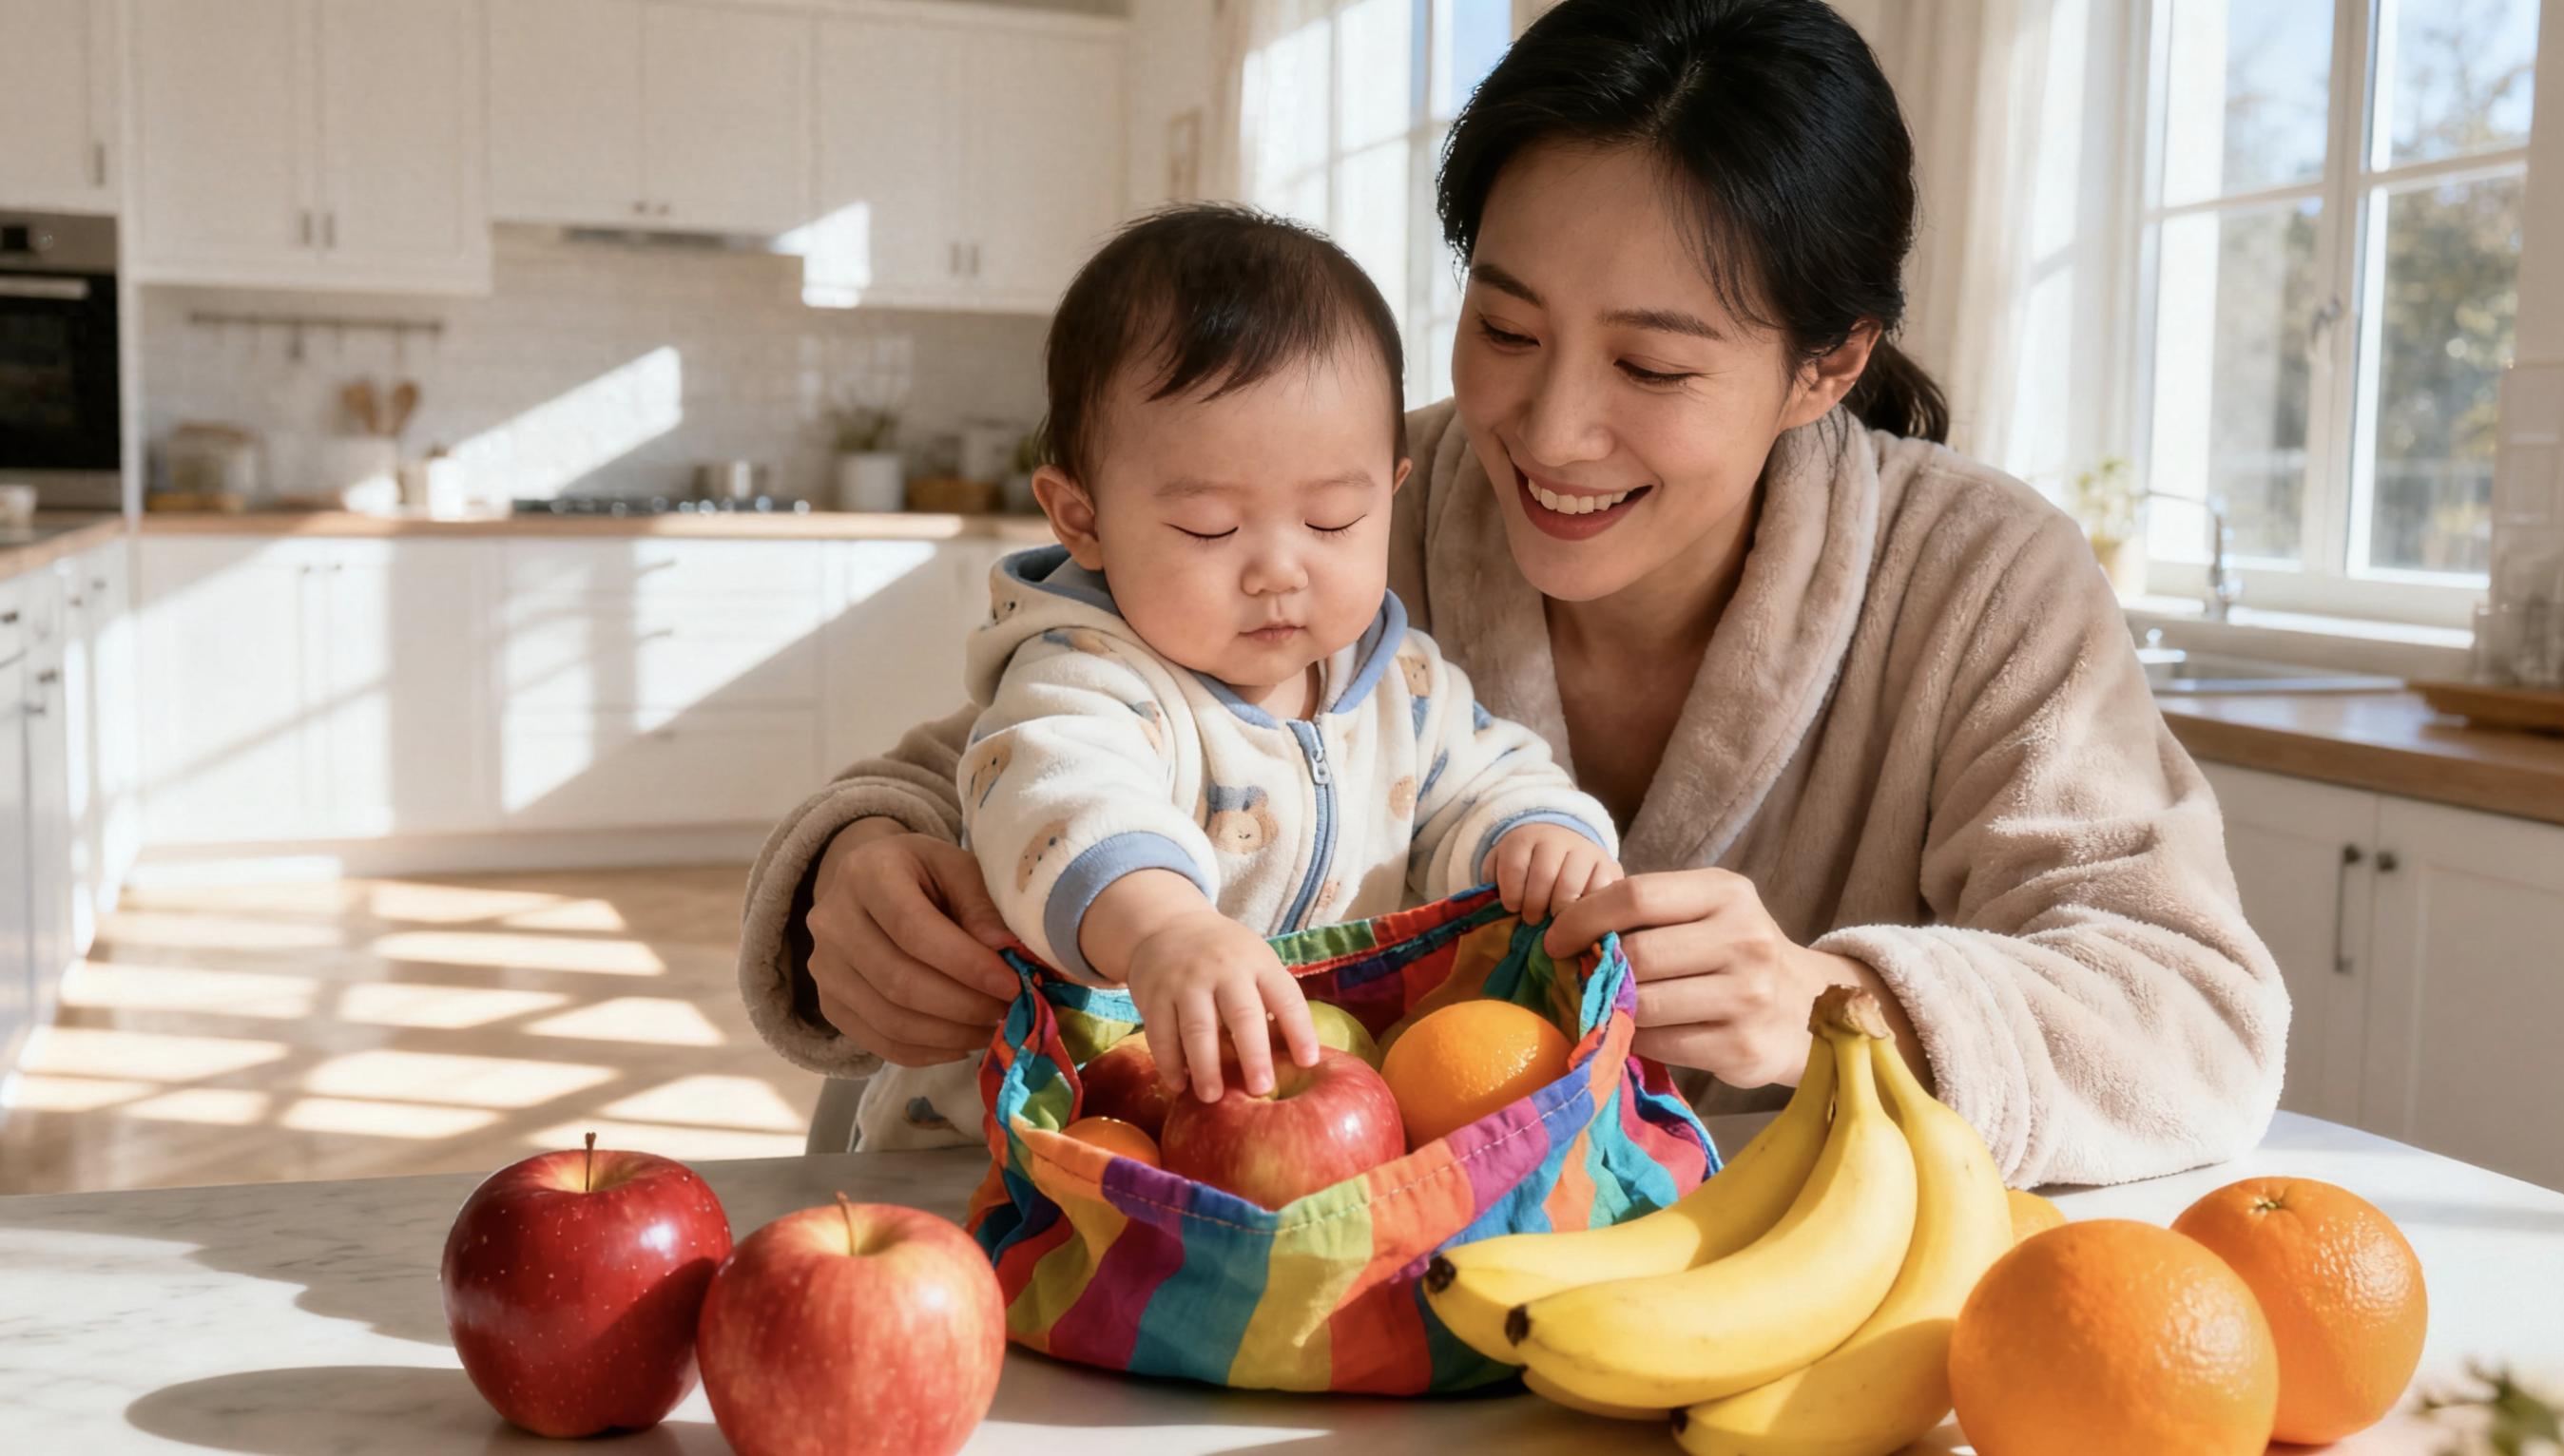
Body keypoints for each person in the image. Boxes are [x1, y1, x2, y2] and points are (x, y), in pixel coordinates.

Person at [742, 0, 2288, 1186]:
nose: (1546, 434)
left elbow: (2192, 1010)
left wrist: (1832, 1001)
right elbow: (1038, 728)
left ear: (1826, 364)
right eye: (1504, 325)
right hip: (1289, 1270)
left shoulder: (1977, 576)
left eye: (1652, 364)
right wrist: (859, 872)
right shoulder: (1334, 516)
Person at [921, 205, 1617, 1142]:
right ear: (1079, 517)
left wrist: (1535, 833)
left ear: (1392, 493)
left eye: (1332, 521)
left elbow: (1488, 778)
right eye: (1210, 529)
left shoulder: (1400, 684)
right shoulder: (1084, 675)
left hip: (1286, 1124)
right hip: (1061, 1128)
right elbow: (1060, 799)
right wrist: (1164, 928)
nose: (1278, 569)